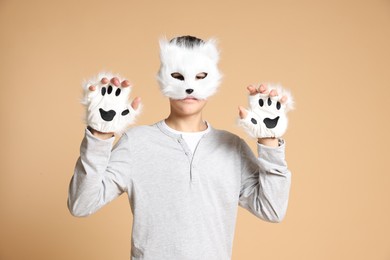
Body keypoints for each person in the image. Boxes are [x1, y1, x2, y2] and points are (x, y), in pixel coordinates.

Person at [68, 35, 293, 260]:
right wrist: (100, 134)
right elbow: (81, 204)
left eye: (200, 77)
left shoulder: (232, 147)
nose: (189, 87)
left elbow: (272, 209)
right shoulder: (137, 143)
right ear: (163, 79)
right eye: (178, 76)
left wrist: (269, 140)